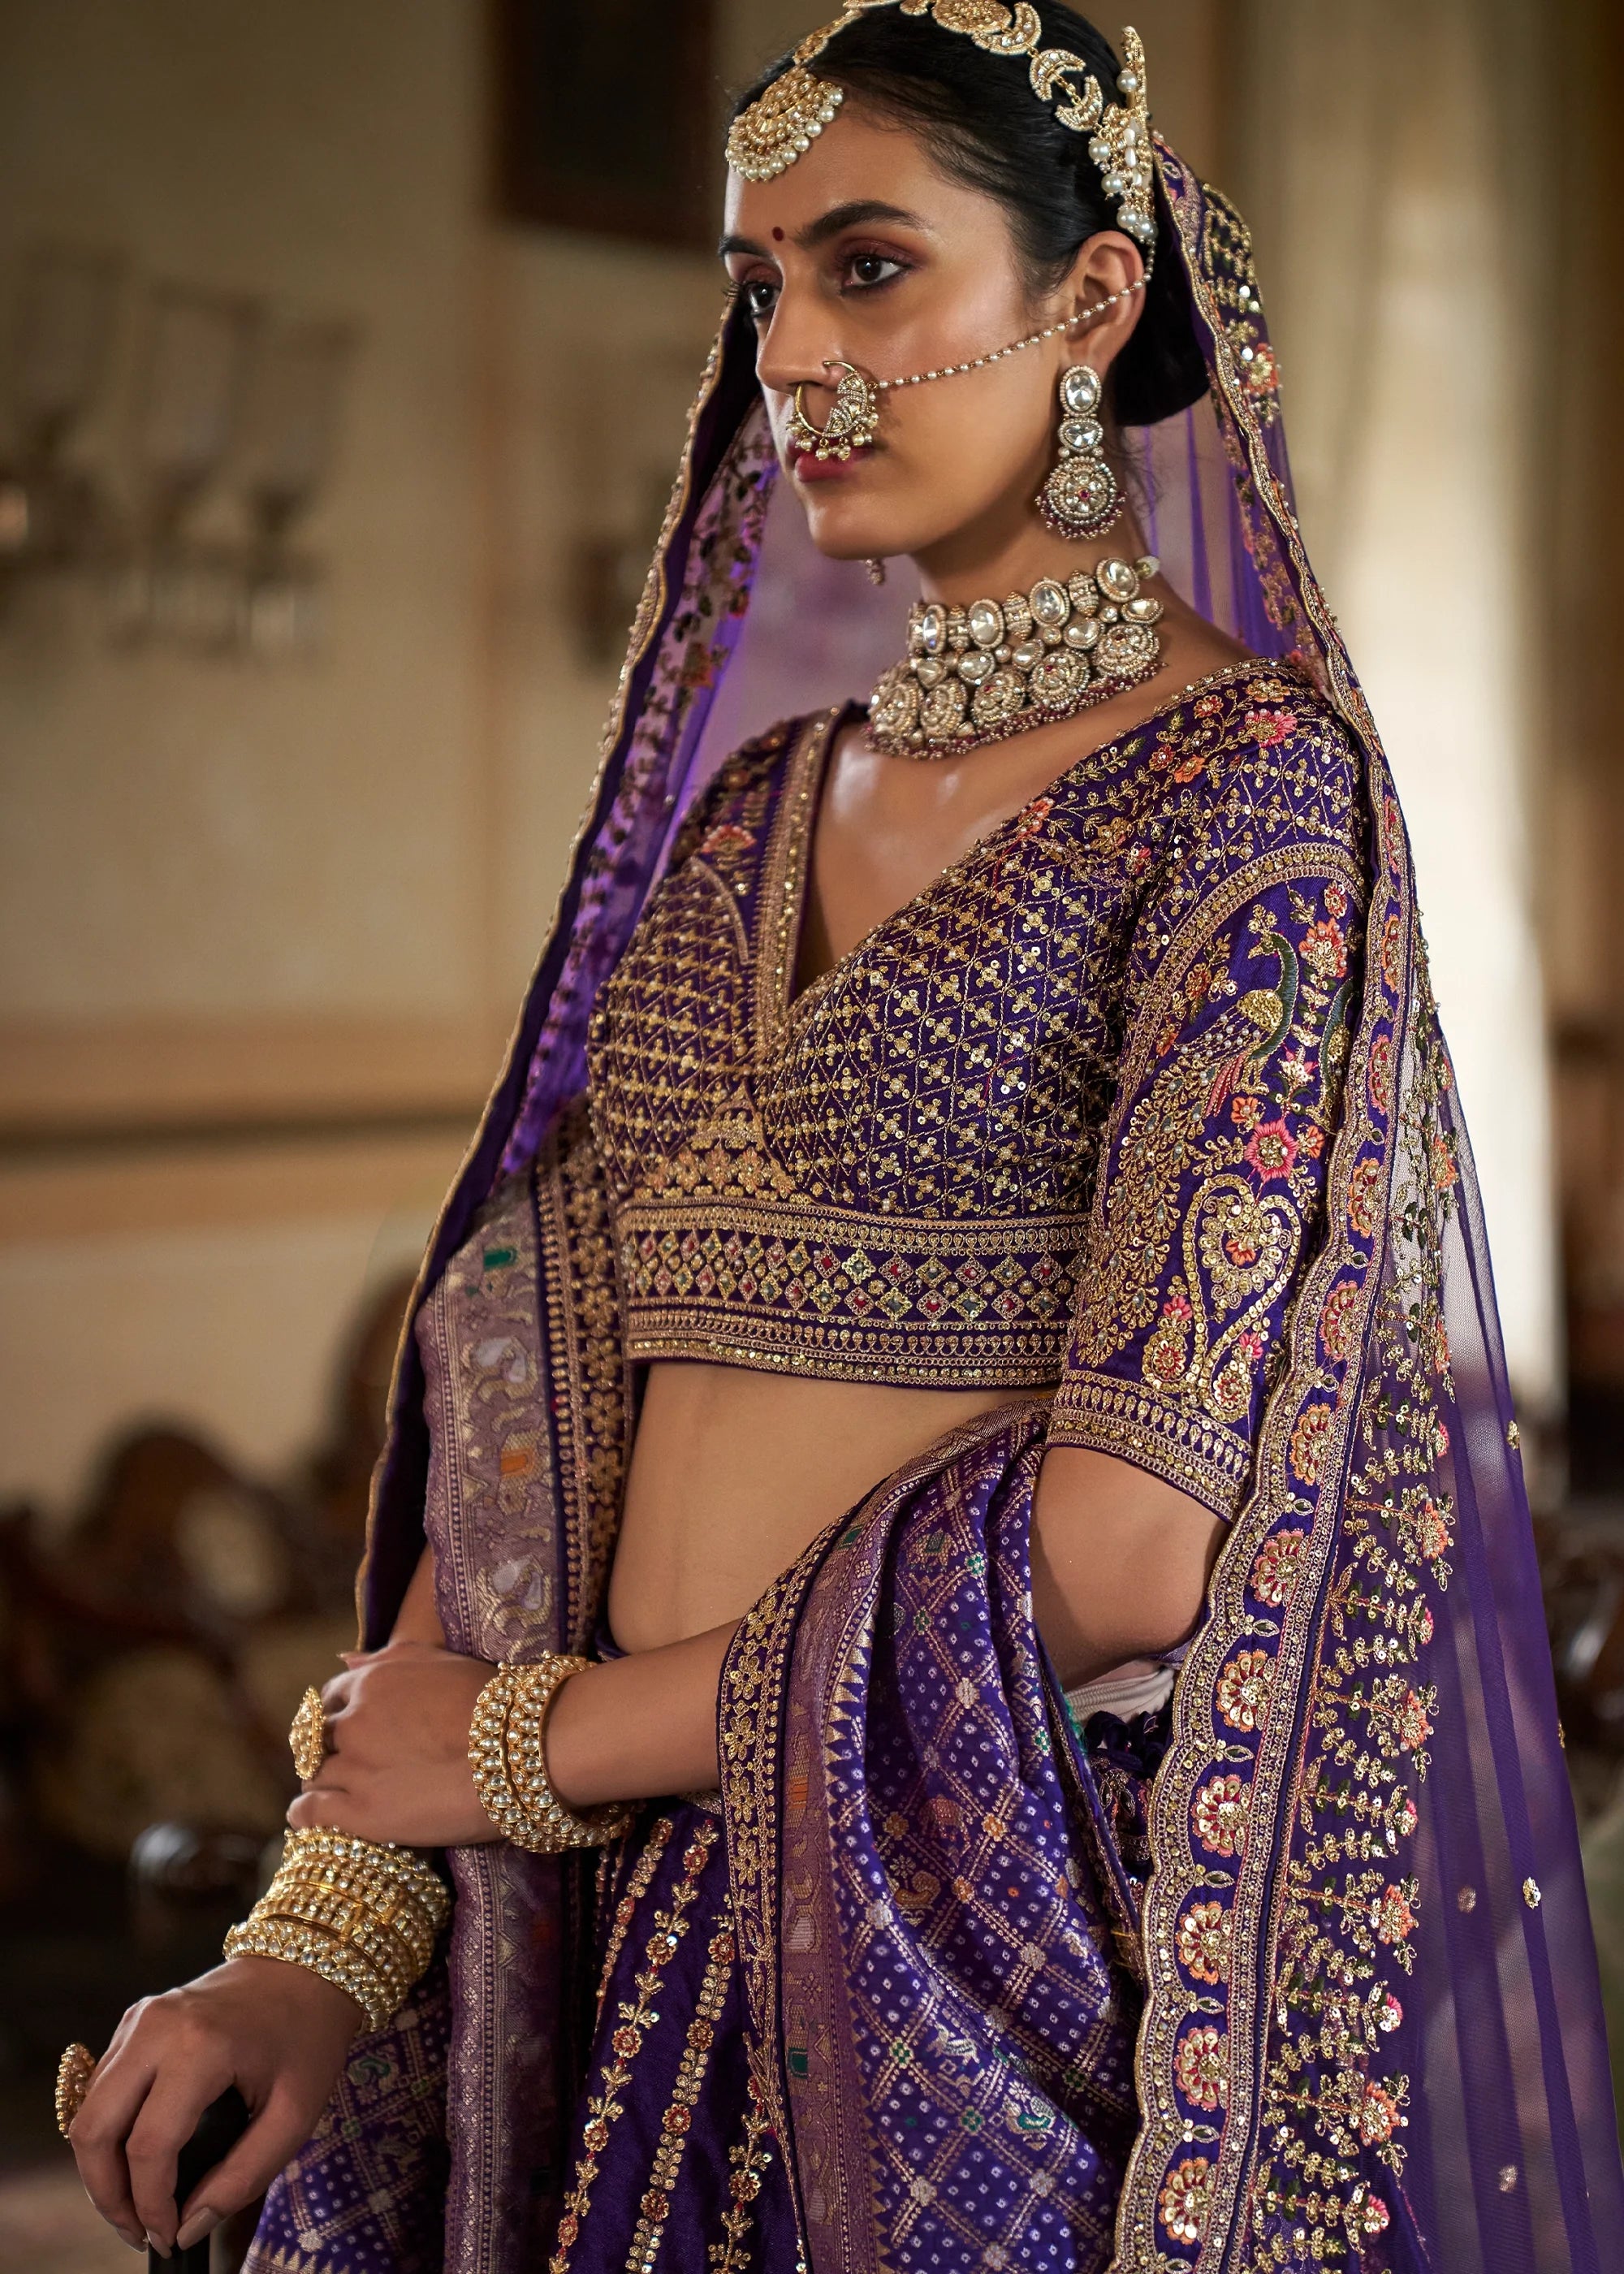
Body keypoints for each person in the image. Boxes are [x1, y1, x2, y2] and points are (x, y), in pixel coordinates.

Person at [60, 6, 1624, 2269]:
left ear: (1092, 300)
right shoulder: (750, 818)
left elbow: (1129, 1548)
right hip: (614, 1932)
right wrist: (326, 1935)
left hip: (961, 1956)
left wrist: (536, 1747)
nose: (791, 352)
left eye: (869, 267)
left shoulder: (1248, 801)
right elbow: (526, 1407)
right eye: (761, 283)